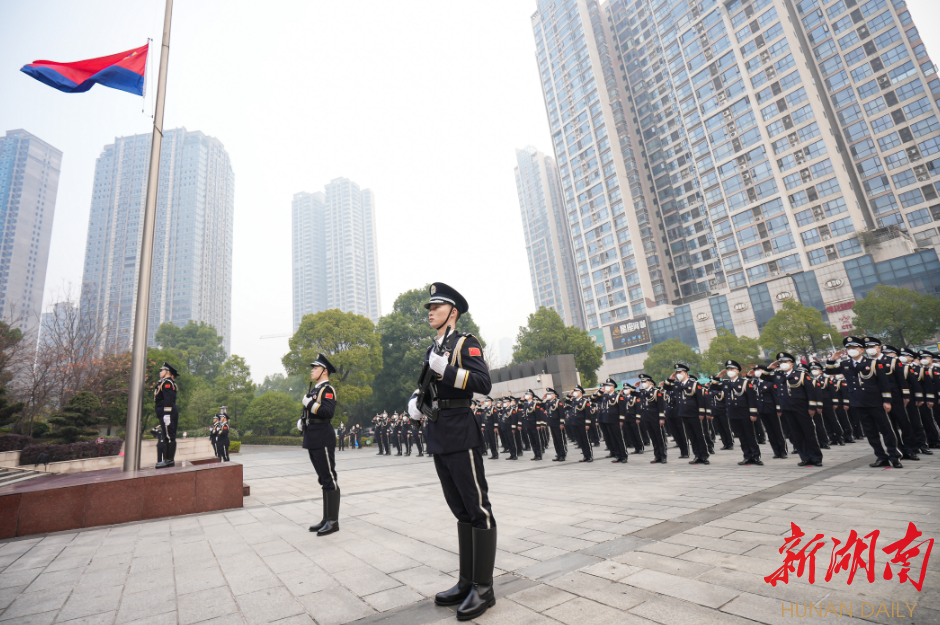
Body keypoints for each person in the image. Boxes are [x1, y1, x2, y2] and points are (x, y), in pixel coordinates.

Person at [408, 283, 496, 621]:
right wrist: (418, 403)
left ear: (453, 312)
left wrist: (448, 371)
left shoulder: (464, 343)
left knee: (478, 509)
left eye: (436, 307)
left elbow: (483, 384)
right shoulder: (434, 347)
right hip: (439, 432)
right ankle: (466, 581)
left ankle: (484, 588)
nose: (430, 312)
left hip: (460, 430)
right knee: (460, 510)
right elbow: (427, 388)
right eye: (429, 308)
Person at [826, 338, 901, 468]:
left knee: (886, 430)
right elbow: (829, 371)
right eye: (849, 349)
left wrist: (887, 401)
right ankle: (881, 456)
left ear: (861, 349)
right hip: (858, 402)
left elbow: (884, 383)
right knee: (870, 432)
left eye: (854, 348)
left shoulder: (873, 363)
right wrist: (832, 359)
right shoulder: (845, 364)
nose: (851, 351)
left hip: (875, 402)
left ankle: (894, 456)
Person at [301, 353, 341, 536]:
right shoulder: (315, 390)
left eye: (315, 368)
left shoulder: (327, 389)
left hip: (323, 437)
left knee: (329, 478)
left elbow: (327, 412)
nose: (312, 370)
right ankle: (326, 519)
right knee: (323, 479)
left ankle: (333, 521)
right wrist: (303, 421)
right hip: (313, 437)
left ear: (324, 371)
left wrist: (309, 404)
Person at [766, 352, 822, 467]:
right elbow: (764, 376)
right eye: (780, 362)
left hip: (801, 408)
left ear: (791, 363)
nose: (782, 364)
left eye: (785, 362)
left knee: (809, 433)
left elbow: (810, 392)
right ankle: (805, 457)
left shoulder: (800, 374)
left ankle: (816, 457)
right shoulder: (778, 376)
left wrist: (812, 407)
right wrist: (770, 367)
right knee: (797, 435)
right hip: (787, 409)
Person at [719, 361, 762, 466]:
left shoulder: (745, 382)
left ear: (737, 371)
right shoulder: (726, 383)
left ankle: (755, 456)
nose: (730, 371)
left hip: (744, 412)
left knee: (750, 435)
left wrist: (753, 413)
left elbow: (751, 399)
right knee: (741, 436)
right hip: (732, 413)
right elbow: (713, 386)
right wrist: (718, 377)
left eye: (732, 369)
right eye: (728, 370)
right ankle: (747, 456)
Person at [635, 374, 666, 464]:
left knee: (659, 437)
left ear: (649, 382)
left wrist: (661, 418)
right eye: (642, 382)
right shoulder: (642, 392)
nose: (643, 383)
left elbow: (661, 406)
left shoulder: (656, 392)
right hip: (646, 418)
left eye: (644, 381)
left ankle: (663, 456)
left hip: (655, 418)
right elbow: (633, 393)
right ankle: (657, 456)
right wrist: (635, 386)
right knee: (653, 438)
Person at [155, 362, 180, 469]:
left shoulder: (167, 383)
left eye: (162, 370)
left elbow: (168, 399)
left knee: (169, 436)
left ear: (167, 372)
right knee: (168, 436)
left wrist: (167, 414)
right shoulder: (164, 382)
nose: (160, 372)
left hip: (166, 410)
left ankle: (169, 460)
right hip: (165, 410)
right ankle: (168, 460)